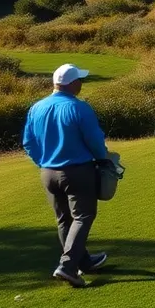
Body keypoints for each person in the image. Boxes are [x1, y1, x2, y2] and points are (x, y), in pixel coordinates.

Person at [22, 63, 110, 288]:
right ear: (71, 83)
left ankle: (84, 261)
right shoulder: (79, 108)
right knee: (83, 217)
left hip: (47, 172)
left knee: (64, 220)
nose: (81, 84)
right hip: (78, 171)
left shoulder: (37, 108)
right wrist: (103, 160)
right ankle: (68, 266)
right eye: (80, 80)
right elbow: (94, 140)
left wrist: (42, 162)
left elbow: (29, 143)